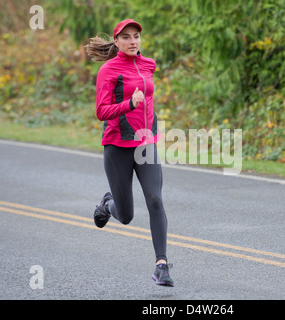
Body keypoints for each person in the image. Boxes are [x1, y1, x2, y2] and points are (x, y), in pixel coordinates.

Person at [85, 19, 173, 287]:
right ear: (117, 41)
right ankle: (107, 205)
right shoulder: (107, 70)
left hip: (146, 143)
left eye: (136, 36)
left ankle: (162, 265)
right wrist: (128, 104)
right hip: (117, 147)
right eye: (127, 37)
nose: (133, 41)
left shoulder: (149, 65)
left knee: (156, 199)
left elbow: (148, 99)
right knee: (126, 216)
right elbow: (101, 111)